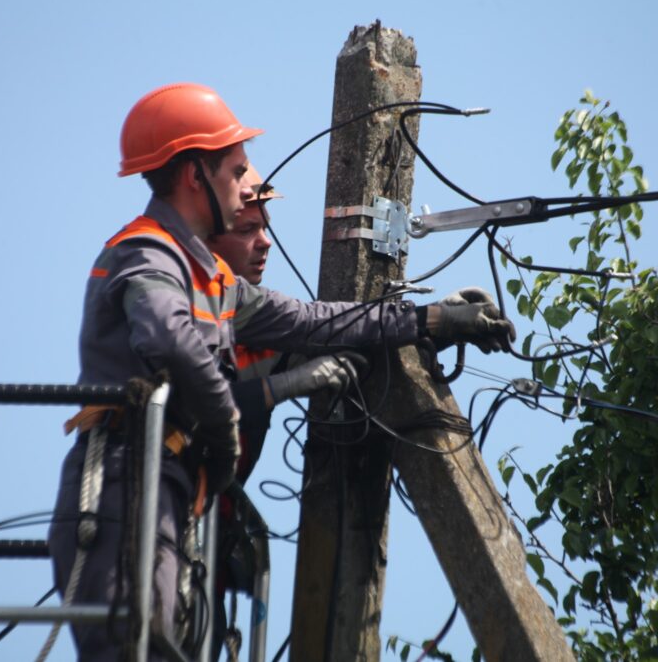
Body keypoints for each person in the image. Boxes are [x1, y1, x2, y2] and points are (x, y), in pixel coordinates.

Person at [48, 82, 517, 662]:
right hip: (126, 484)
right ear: (196, 174)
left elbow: (316, 322)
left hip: (167, 492)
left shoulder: (214, 281)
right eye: (236, 168)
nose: (244, 184)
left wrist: (431, 319)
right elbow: (167, 338)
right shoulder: (146, 253)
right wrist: (224, 426)